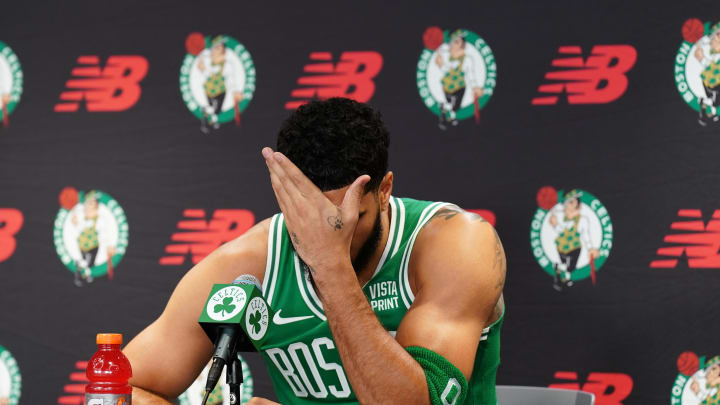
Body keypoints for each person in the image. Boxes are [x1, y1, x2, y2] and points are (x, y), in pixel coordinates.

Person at [124, 97, 506, 404]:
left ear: (385, 189)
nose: (332, 235)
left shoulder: (454, 243)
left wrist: (330, 265)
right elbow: (119, 389)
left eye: (349, 219)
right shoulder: (250, 262)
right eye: (309, 219)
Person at [547, 190, 599, 291]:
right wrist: (555, 224)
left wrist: (590, 248)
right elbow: (560, 231)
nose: (571, 204)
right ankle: (561, 272)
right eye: (569, 202)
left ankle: (565, 277)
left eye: (573, 201)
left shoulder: (582, 220)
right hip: (561, 246)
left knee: (570, 267)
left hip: (574, 247)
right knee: (567, 266)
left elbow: (585, 235)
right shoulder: (561, 217)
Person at [434, 30, 483, 129]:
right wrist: (440, 64)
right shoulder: (446, 56)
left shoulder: (467, 59)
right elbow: (446, 70)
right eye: (452, 42)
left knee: (455, 107)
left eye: (457, 42)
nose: (454, 44)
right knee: (450, 105)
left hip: (459, 86)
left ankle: (445, 111)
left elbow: (470, 74)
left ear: (462, 44)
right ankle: (447, 118)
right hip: (446, 85)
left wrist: (475, 87)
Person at [196, 36, 243, 133]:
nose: (218, 50)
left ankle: (212, 120)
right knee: (208, 109)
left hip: (220, 93)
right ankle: (208, 121)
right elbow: (206, 76)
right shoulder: (207, 63)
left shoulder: (227, 65)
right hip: (207, 92)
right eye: (216, 48)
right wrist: (203, 69)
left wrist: (235, 91)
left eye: (220, 48)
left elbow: (230, 79)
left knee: (215, 111)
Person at [694, 23, 720, 125]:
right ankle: (704, 103)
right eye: (717, 35)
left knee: (714, 100)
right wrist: (701, 59)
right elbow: (712, 68)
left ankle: (707, 108)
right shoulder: (716, 55)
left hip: (712, 82)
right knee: (716, 101)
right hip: (712, 82)